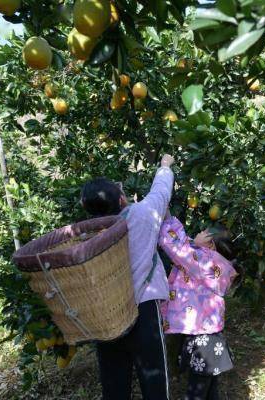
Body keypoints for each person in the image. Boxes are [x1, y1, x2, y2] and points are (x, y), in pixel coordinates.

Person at [80, 154, 175, 400]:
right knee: (155, 383)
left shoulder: (87, 236)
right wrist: (164, 166)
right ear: (122, 199)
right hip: (144, 310)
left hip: (107, 316)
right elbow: (161, 192)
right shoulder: (143, 214)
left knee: (114, 385)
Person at [158, 215, 238, 400]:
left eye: (204, 233)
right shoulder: (214, 264)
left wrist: (163, 216)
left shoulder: (205, 263)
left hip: (205, 343)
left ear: (210, 246)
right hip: (208, 338)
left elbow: (177, 248)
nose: (199, 232)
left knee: (196, 393)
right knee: (209, 392)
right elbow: (185, 247)